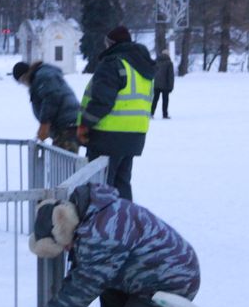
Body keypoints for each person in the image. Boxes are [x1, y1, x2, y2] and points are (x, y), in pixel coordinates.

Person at [28, 183, 229, 307]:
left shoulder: (101, 235)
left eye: (64, 246)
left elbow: (81, 289)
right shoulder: (94, 211)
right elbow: (85, 276)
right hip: (156, 274)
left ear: (63, 227)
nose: (66, 250)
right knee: (104, 280)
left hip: (173, 281)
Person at [76, 26, 154, 201]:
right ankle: (124, 223)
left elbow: (102, 101)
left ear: (111, 43)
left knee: (101, 185)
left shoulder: (112, 63)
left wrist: (84, 124)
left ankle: (105, 224)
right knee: (122, 183)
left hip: (107, 136)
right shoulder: (142, 66)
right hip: (135, 136)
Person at [13, 60, 80, 153]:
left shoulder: (42, 77)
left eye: (22, 81)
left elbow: (52, 99)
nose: (24, 84)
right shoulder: (42, 76)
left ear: (24, 76)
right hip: (65, 124)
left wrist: (44, 124)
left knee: (63, 163)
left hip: (66, 124)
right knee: (62, 160)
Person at [152, 49, 174, 119]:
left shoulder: (156, 61)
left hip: (156, 84)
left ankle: (151, 113)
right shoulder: (169, 63)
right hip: (165, 85)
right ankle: (165, 114)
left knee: (155, 99)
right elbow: (170, 76)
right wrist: (171, 87)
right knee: (165, 100)